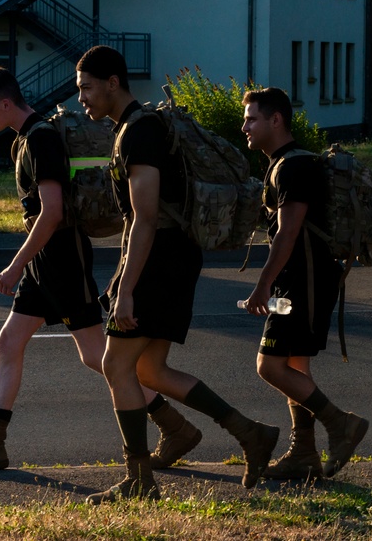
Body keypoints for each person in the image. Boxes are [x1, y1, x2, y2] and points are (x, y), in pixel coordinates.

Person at [0, 67, 201, 472]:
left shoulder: (41, 138)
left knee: (99, 356)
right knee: (10, 342)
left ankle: (175, 426)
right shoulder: (25, 140)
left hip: (61, 259)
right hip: (45, 261)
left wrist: (15, 264)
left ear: (6, 103)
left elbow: (52, 212)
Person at [75, 46, 279, 504]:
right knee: (149, 368)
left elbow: (144, 218)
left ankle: (140, 480)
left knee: (115, 364)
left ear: (113, 83)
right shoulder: (137, 127)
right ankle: (251, 432)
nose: (82, 98)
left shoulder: (139, 133)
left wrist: (125, 291)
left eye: (87, 87)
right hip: (171, 256)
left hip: (161, 258)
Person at [239, 87, 369, 480]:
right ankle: (304, 452)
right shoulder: (283, 163)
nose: (244, 126)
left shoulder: (293, 167)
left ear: (275, 120)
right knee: (295, 363)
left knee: (269, 365)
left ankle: (340, 423)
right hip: (299, 281)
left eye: (252, 119)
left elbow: (288, 232)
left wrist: (263, 285)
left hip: (302, 283)